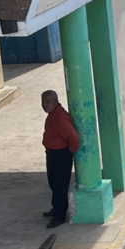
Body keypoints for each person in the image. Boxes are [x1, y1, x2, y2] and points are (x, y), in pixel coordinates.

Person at [41, 90, 79, 229]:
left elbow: (73, 137)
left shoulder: (59, 118)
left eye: (48, 102)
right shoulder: (53, 115)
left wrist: (69, 152)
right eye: (43, 102)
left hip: (60, 155)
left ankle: (59, 216)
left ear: (56, 102)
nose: (45, 105)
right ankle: (55, 209)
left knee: (60, 185)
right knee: (53, 183)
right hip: (52, 153)